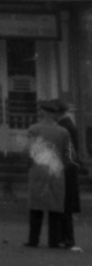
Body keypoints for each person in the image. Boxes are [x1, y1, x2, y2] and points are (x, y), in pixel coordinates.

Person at [26, 99, 74, 249]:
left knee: (36, 207)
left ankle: (33, 240)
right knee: (54, 208)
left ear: (43, 112)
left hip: (38, 171)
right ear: (54, 114)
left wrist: (31, 165)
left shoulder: (33, 129)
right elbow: (69, 156)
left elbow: (29, 152)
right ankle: (53, 241)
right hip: (56, 172)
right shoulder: (63, 132)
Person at [52, 100, 85, 252]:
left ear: (57, 113)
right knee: (64, 205)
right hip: (68, 169)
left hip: (66, 170)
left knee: (65, 206)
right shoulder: (67, 125)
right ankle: (63, 238)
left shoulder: (65, 128)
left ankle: (68, 239)